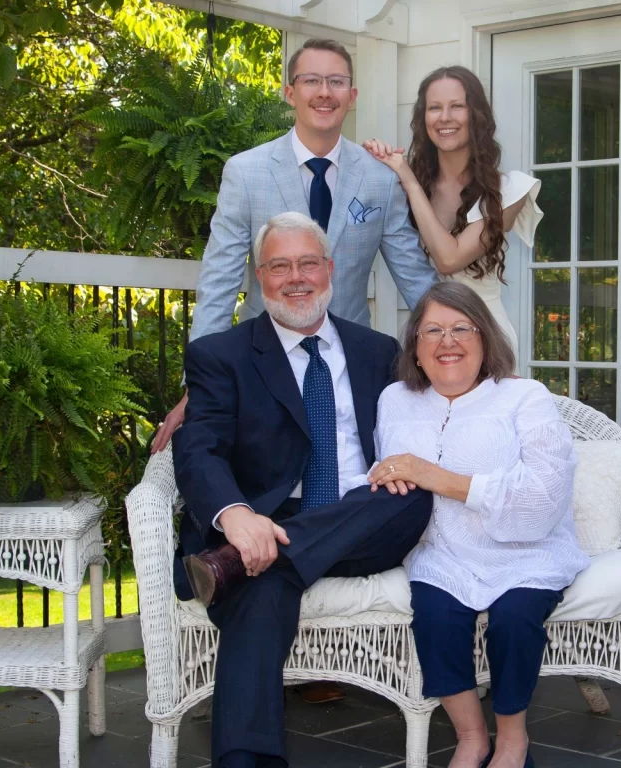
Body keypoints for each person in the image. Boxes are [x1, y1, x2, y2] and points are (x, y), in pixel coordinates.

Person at [172, 212, 433, 768]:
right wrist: (236, 516)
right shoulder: (221, 356)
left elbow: (428, 419)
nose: (296, 277)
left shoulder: (377, 351)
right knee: (261, 593)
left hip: (364, 520)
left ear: (330, 270)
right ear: (259, 276)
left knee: (413, 495)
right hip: (261, 522)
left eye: (308, 263)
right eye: (279, 266)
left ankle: (235, 564)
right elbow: (198, 450)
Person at [151, 37, 436, 453]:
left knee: (349, 472)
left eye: (337, 82)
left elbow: (414, 277)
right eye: (311, 81)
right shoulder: (245, 173)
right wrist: (199, 383)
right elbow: (220, 280)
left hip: (347, 364)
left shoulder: (379, 179)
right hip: (262, 362)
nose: (324, 92)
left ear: (351, 95)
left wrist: (460, 343)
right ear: (290, 92)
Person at [365, 281, 588, 768]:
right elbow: (389, 473)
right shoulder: (395, 400)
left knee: (513, 620)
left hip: (525, 550)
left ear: (485, 339)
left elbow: (545, 497)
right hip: (441, 551)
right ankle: (471, 738)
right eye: (433, 331)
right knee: (437, 620)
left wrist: (436, 477)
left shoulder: (524, 397)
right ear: (416, 350)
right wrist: (390, 478)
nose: (448, 341)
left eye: (462, 328)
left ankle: (512, 740)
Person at [362, 65, 544, 351]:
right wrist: (373, 158)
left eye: (457, 106)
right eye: (434, 108)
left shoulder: (509, 191)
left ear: (476, 115)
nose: (445, 117)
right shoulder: (411, 186)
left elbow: (449, 259)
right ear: (423, 119)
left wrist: (407, 180)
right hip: (429, 334)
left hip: (486, 336)